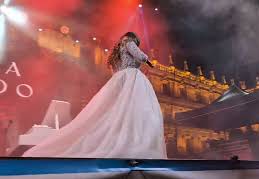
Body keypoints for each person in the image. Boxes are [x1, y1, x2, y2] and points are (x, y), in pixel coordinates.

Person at [22, 32, 167, 159]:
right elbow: (139, 55)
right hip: (131, 79)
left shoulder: (117, 53)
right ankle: (134, 145)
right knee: (137, 112)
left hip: (119, 80)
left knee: (116, 112)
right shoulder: (129, 43)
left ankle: (123, 143)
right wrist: (147, 60)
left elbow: (115, 71)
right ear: (133, 39)